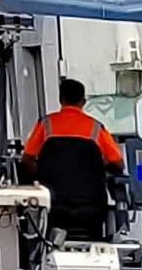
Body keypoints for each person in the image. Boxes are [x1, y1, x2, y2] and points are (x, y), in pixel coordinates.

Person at [19, 78, 125, 236]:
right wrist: (97, 168)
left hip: (52, 207)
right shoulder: (96, 127)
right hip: (92, 209)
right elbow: (118, 164)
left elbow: (27, 160)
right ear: (83, 101)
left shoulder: (46, 124)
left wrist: (40, 175)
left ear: (60, 99)